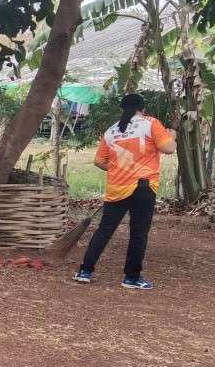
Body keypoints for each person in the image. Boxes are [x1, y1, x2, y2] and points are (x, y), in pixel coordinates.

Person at [74, 93, 176, 289]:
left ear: (121, 109)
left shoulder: (111, 131)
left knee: (104, 230)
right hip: (143, 187)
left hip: (116, 188)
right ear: (142, 108)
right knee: (138, 233)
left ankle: (85, 271)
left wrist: (118, 169)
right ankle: (132, 277)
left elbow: (99, 161)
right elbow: (169, 148)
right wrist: (172, 136)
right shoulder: (150, 123)